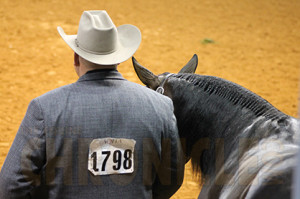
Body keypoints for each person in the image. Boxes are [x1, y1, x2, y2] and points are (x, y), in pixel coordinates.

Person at [0, 10, 184, 198]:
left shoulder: (45, 108)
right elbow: (172, 178)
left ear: (75, 58)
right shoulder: (161, 106)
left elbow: (11, 185)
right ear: (117, 58)